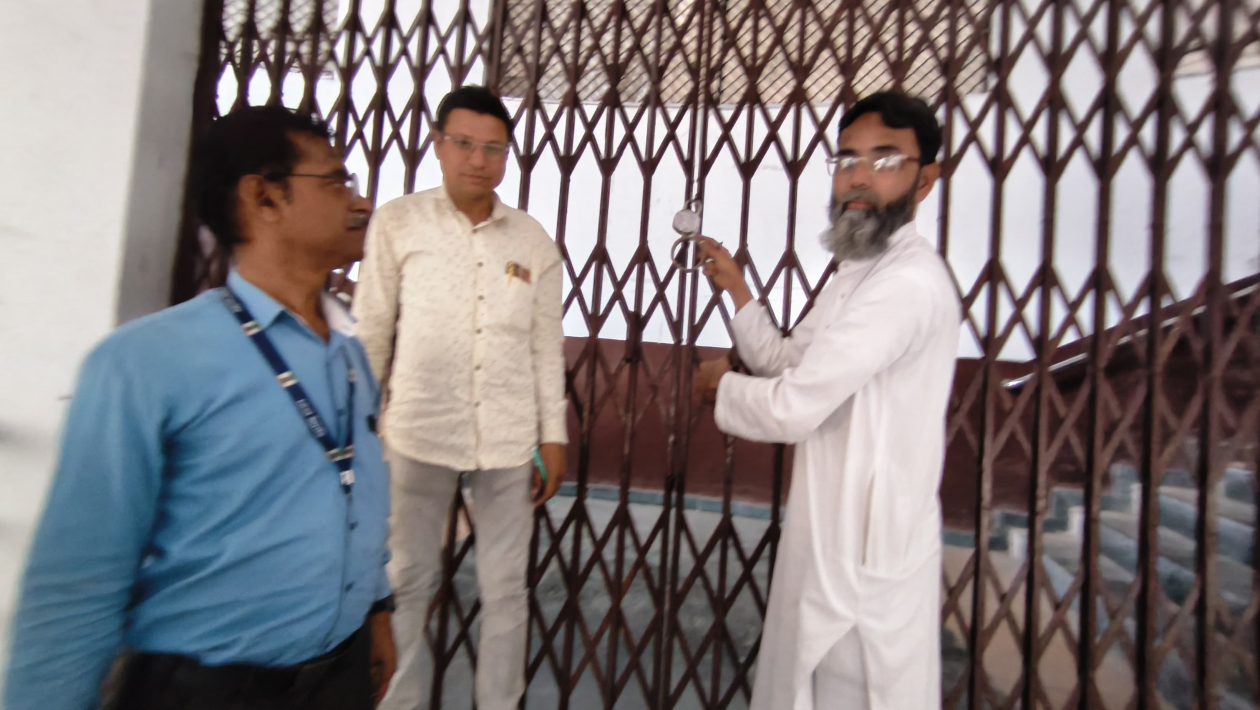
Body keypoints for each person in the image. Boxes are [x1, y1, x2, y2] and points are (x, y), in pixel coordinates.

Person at [4, 106, 396, 710]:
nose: (361, 202)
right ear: (265, 197)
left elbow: (353, 490)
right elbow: (77, 580)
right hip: (207, 690)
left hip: (336, 676)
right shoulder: (147, 362)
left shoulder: (346, 350)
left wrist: (375, 610)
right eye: (336, 181)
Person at [694, 91, 960, 710]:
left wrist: (720, 388)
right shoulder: (857, 274)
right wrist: (739, 292)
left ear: (925, 182)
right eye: (846, 160)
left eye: (885, 160)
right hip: (830, 536)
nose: (859, 177)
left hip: (869, 554)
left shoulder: (906, 284)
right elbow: (792, 362)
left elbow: (794, 406)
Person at [352, 85, 568, 710]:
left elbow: (544, 347)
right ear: (439, 144)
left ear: (508, 155)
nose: (478, 160)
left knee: (506, 589)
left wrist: (553, 436)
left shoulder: (531, 241)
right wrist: (360, 426)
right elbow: (372, 329)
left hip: (508, 439)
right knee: (407, 580)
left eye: (493, 148)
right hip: (417, 432)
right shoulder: (399, 223)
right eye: (465, 144)